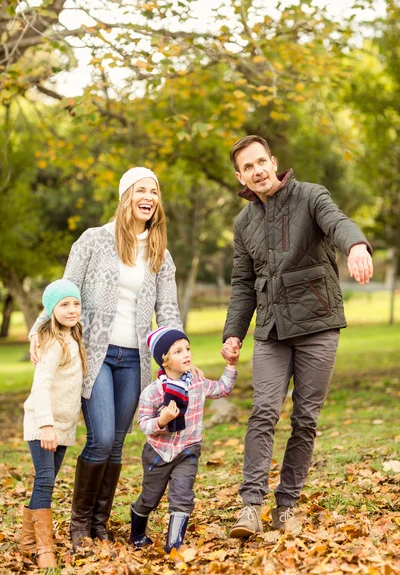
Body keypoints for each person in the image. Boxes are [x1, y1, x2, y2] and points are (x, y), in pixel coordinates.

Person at [29, 167, 189, 551]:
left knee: (117, 444)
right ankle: (79, 524)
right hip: (95, 355)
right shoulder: (93, 240)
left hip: (135, 359)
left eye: (154, 191)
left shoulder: (159, 253)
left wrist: (181, 352)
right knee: (99, 439)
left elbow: (167, 310)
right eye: (140, 190)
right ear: (126, 196)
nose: (148, 197)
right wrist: (39, 326)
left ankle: (99, 524)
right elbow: (65, 288)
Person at [221, 135, 373, 538]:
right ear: (241, 177)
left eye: (261, 162)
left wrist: (356, 245)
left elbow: (338, 223)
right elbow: (242, 283)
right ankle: (250, 507)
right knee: (264, 412)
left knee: (305, 418)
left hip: (318, 324)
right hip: (271, 329)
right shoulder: (243, 223)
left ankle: (286, 505)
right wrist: (234, 332)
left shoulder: (310, 196)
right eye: (248, 167)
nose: (257, 171)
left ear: (273, 161)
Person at [129, 326, 238, 553]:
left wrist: (231, 364)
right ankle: (137, 533)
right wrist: (162, 420)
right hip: (158, 453)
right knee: (150, 498)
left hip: (188, 451)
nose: (187, 354)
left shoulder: (196, 383)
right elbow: (143, 424)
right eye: (178, 351)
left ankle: (174, 545)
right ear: (165, 360)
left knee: (182, 495)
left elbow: (222, 389)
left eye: (187, 348)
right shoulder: (153, 392)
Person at [21, 279, 86, 568]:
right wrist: (46, 425)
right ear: (50, 310)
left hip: (61, 426)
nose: (72, 310)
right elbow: (41, 384)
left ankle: (27, 542)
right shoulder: (52, 342)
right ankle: (44, 550)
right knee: (45, 481)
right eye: (64, 305)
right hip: (43, 423)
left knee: (46, 481)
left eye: (76, 303)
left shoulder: (74, 336)